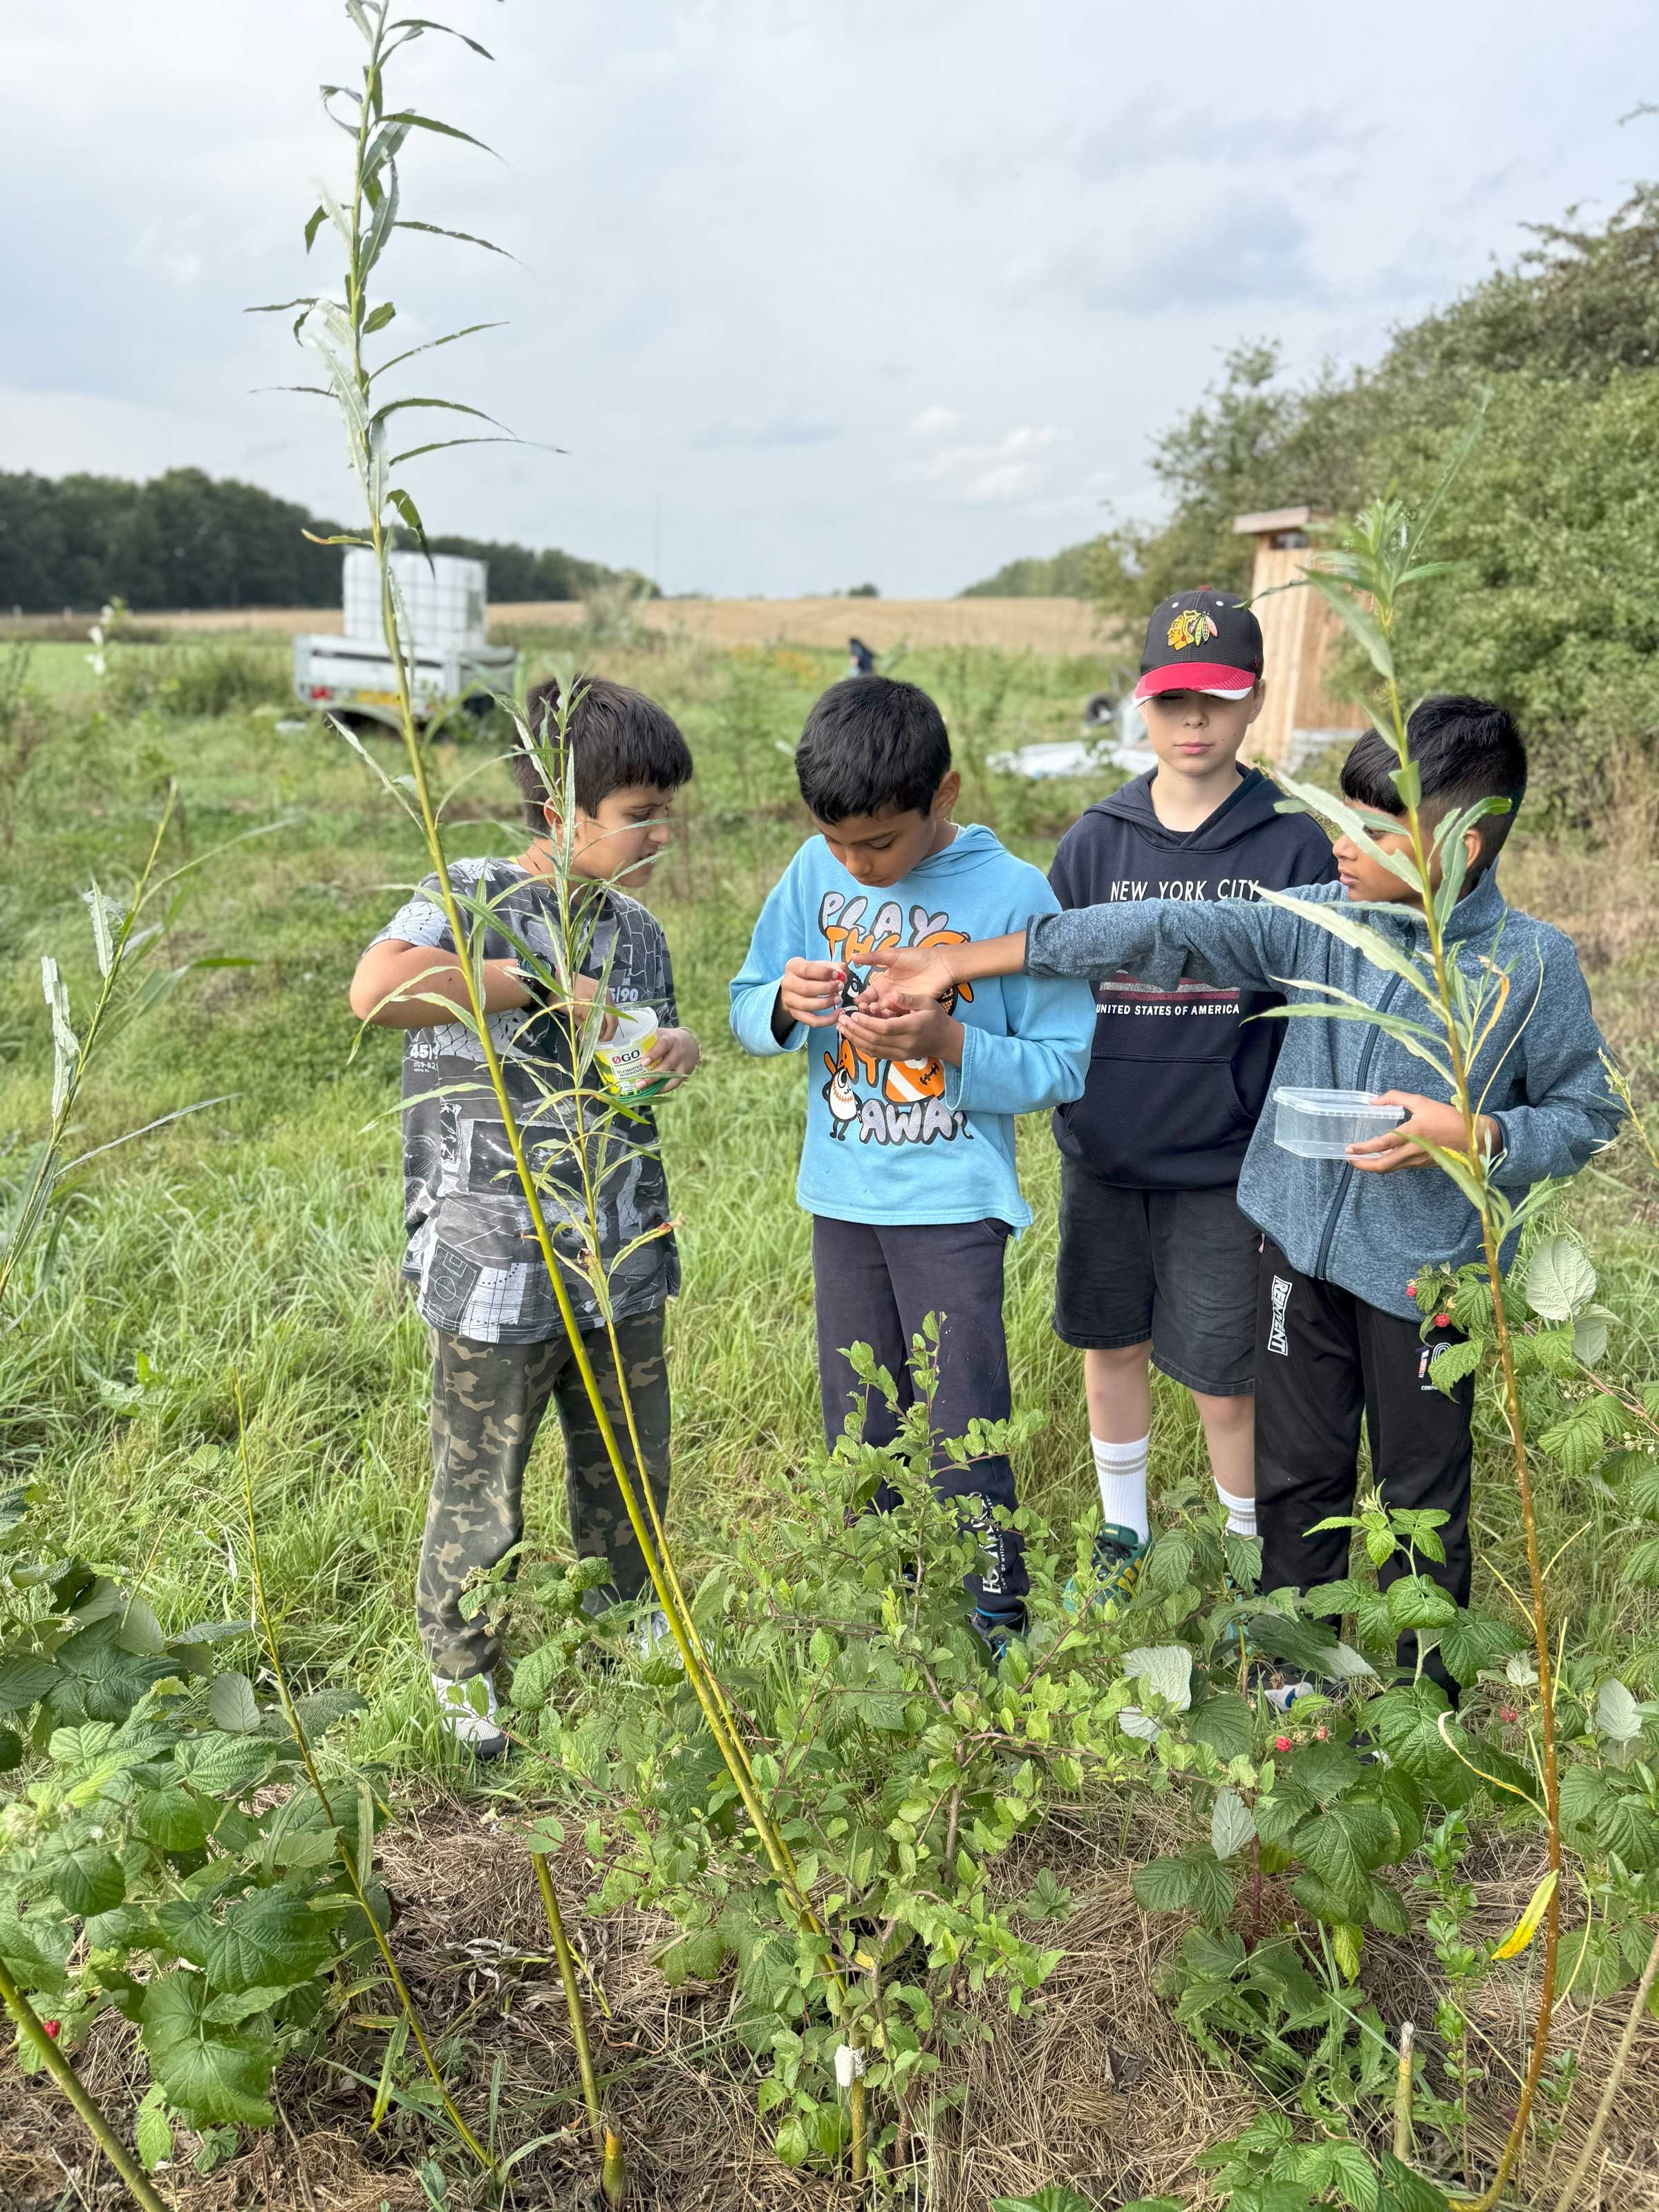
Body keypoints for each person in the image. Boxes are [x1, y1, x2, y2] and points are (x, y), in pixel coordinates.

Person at [861, 697, 1621, 1679]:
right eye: (1339, 815)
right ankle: (1290, 1686)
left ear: (1467, 843)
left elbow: (1586, 1113)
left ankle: (1423, 1705)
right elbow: (1164, 924)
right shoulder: (1320, 926)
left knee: (1421, 1493)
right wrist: (960, 961)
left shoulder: (1531, 966)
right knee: (1297, 1475)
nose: (1337, 843)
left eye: (1369, 827)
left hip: (1427, 1286)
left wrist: (1474, 1134)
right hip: (1296, 1255)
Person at [348, 676, 700, 1756]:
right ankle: (462, 1666)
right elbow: (379, 992)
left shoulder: (635, 931)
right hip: (492, 1262)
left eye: (662, 813)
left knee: (630, 1469)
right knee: (480, 1482)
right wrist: (534, 984)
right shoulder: (472, 892)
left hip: (617, 1253)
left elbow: (628, 1070)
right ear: (562, 813)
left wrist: (663, 1058)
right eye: (638, 815)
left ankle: (625, 1621)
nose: (657, 835)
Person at [728, 675, 1094, 1649]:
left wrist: (947, 1046)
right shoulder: (814, 873)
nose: (856, 863)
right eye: (839, 841)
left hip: (952, 1203)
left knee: (962, 1414)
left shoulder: (1013, 895)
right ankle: (877, 1595)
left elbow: (1064, 1064)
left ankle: (992, 1601)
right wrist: (783, 1004)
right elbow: (744, 1001)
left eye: (878, 844)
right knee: (859, 1417)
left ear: (945, 795)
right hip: (845, 1196)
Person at [1047, 588, 1333, 1604]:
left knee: (1226, 1376)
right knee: (1108, 1343)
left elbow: (1312, 1007)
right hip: (1107, 1154)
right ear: (1143, 706)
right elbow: (1052, 985)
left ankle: (1247, 1550)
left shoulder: (1291, 844)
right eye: (1173, 702)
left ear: (1254, 699)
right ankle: (1121, 1536)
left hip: (1230, 1165)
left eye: (1216, 697)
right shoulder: (1094, 842)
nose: (1195, 721)